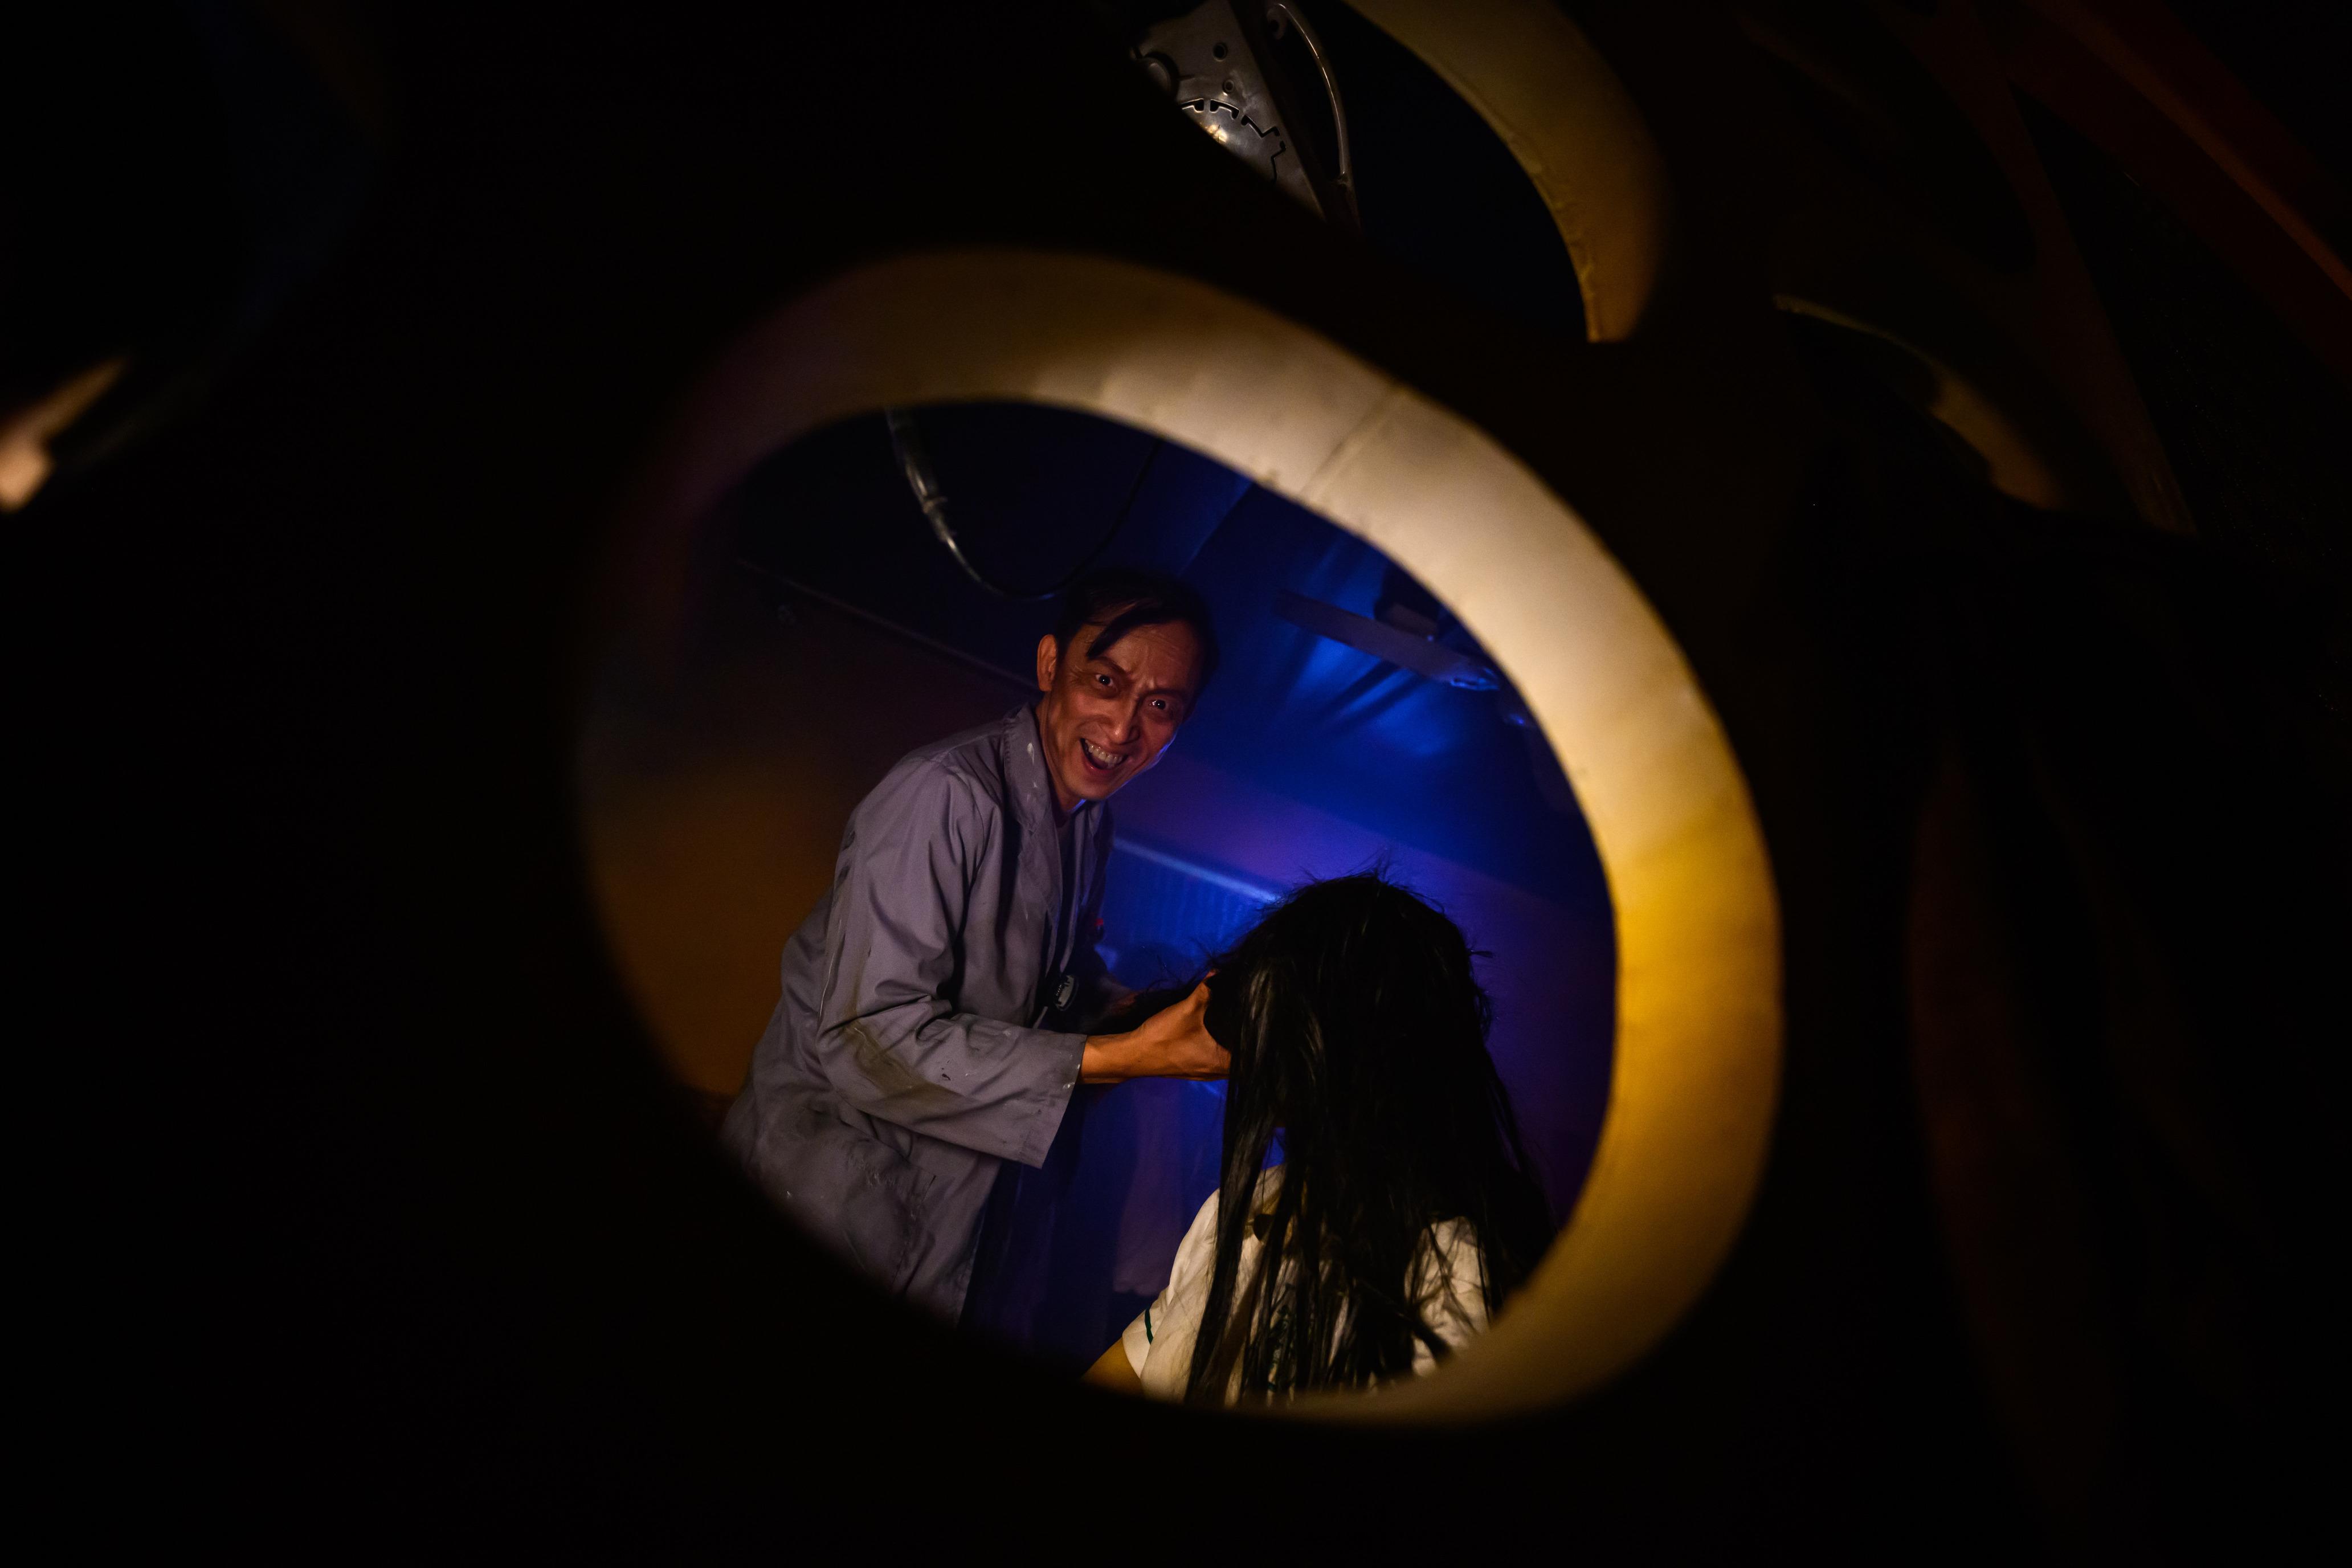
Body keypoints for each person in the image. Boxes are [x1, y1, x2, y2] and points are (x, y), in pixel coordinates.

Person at [721, 569, 1232, 1319]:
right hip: (825, 1190)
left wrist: (1166, 1010)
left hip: (948, 1214)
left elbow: (1048, 988)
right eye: (1105, 681)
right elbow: (869, 1037)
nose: (1124, 727)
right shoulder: (945, 794)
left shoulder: (1088, 824)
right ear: (1051, 664)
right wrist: (1120, 1057)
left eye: (1160, 706)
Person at [1084, 873, 1554, 1403]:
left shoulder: (1456, 1278)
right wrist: (1131, 1052)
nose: (1258, 1051)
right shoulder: (1247, 1210)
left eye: (1282, 1019)